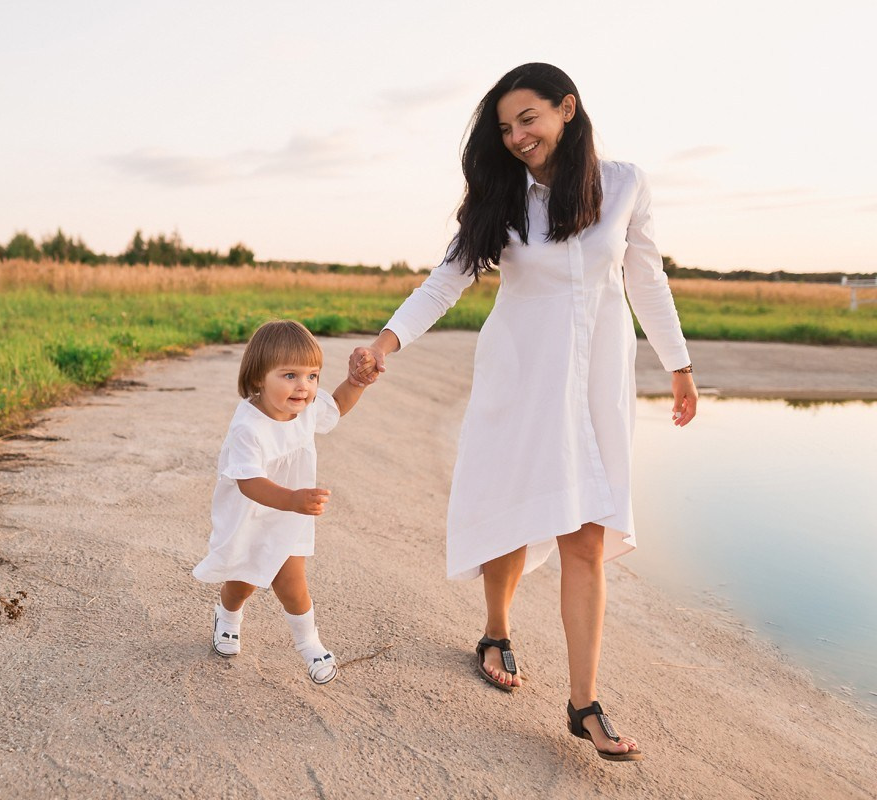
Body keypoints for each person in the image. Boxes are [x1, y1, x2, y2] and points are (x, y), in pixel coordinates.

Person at [349, 63, 697, 761]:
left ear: (567, 109)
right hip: (520, 375)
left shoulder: (624, 183)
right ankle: (497, 627)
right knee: (518, 503)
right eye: (505, 127)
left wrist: (679, 365)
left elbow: (645, 277)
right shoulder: (502, 197)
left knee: (587, 533)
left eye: (527, 119)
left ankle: (583, 703)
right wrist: (386, 341)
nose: (515, 137)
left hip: (598, 377)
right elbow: (446, 279)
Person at [193, 320, 368, 685]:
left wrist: (355, 383)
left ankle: (309, 644)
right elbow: (249, 482)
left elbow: (335, 405)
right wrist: (291, 498)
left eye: (312, 375)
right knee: (243, 581)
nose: (303, 386)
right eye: (289, 375)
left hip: (290, 514)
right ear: (258, 378)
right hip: (252, 513)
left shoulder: (305, 409)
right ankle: (227, 616)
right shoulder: (249, 427)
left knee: (291, 581)